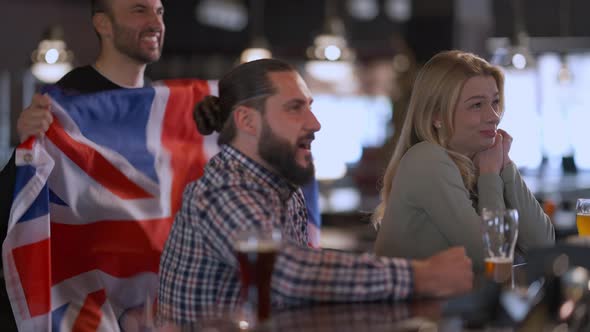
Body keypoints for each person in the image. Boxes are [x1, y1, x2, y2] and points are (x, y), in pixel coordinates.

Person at [157, 58, 474, 324]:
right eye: (295, 108)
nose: (315, 123)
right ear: (247, 121)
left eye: (309, 106)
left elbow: (303, 273)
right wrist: (420, 276)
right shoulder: (225, 190)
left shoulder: (279, 185)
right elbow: (287, 275)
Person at [0, 0, 164, 329]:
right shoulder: (65, 105)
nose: (155, 22)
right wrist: (26, 150)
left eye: (159, 11)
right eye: (139, 10)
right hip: (78, 310)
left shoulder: (162, 111)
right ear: (103, 24)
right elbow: (12, 211)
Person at [372, 50, 555, 272]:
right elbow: (493, 260)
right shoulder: (426, 159)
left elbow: (544, 247)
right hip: (413, 307)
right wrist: (489, 175)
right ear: (436, 115)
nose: (494, 116)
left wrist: (505, 165)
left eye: (495, 102)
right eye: (477, 105)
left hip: (455, 306)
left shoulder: (476, 161)